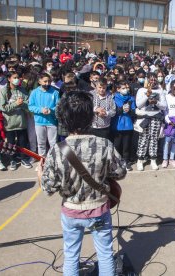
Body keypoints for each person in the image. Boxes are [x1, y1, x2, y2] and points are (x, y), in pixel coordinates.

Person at [39, 91, 127, 276]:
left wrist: (40, 173)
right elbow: (120, 172)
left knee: (71, 255)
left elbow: (48, 188)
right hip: (99, 209)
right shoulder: (104, 144)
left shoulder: (56, 150)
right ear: (91, 116)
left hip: (71, 211)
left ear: (63, 118)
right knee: (104, 253)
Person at [28, 73, 59, 158]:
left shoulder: (55, 92)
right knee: (41, 143)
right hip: (39, 122)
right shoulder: (34, 92)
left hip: (52, 122)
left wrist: (51, 110)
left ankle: (54, 160)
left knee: (53, 143)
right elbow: (31, 106)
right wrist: (40, 110)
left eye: (49, 81)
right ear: (39, 81)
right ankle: (42, 160)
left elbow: (59, 106)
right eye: (45, 81)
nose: (47, 83)